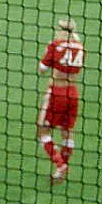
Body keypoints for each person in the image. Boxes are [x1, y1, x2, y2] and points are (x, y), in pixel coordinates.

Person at [37, 17, 85, 184]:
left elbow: (42, 69)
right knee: (67, 131)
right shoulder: (81, 47)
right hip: (73, 93)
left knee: (42, 129)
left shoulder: (55, 45)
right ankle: (63, 167)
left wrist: (47, 53)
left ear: (64, 31)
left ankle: (60, 165)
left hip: (57, 92)